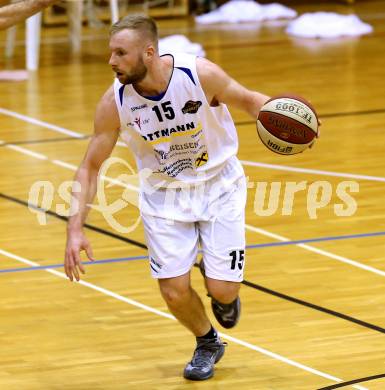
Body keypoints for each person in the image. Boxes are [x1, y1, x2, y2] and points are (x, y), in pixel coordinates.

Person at [64, 14, 269, 381]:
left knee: (223, 291)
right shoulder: (115, 102)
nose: (111, 61)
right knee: (174, 292)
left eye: (120, 53)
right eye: (111, 52)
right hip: (164, 197)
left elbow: (250, 101)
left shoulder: (199, 75)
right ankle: (207, 342)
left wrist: (288, 118)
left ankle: (219, 281)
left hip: (219, 186)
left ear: (149, 52)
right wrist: (74, 229)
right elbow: (90, 167)